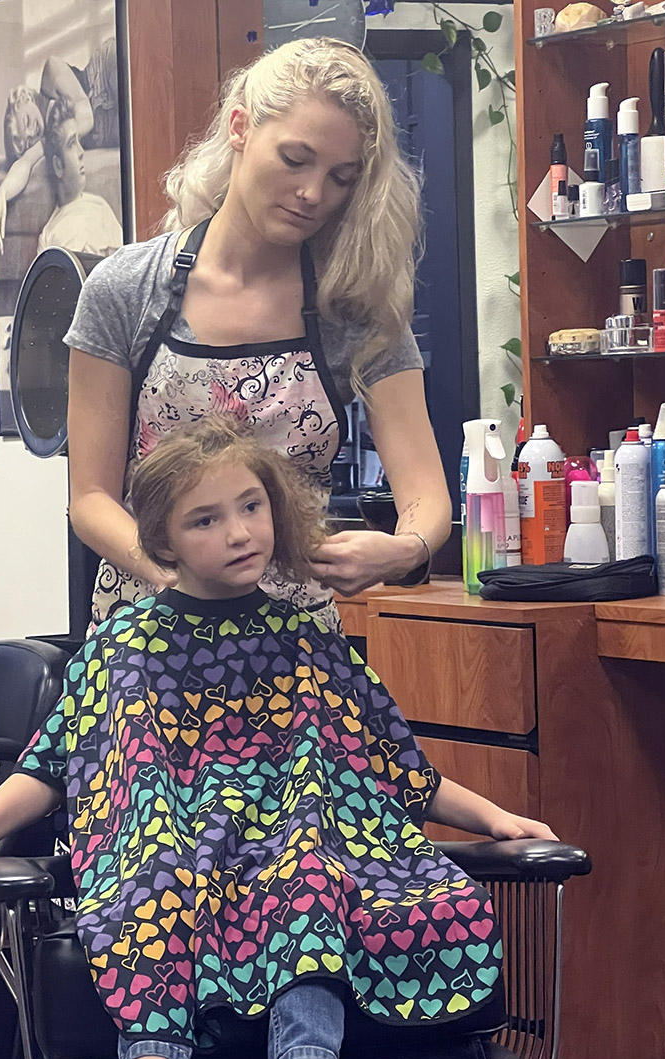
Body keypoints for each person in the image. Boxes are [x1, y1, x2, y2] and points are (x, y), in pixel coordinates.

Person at [0, 417, 557, 1059]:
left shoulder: (306, 638)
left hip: (282, 849)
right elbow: (54, 762)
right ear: (162, 540)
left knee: (310, 879)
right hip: (169, 848)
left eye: (250, 506)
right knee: (155, 880)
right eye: (205, 519)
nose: (238, 532)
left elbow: (394, 766)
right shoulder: (123, 645)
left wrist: (493, 816)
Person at [64, 36, 452, 640]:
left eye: (340, 177)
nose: (313, 194)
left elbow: (427, 496)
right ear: (241, 127)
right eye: (295, 159)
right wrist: (177, 578)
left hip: (295, 646)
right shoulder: (126, 289)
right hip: (150, 639)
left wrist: (404, 550)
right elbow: (90, 497)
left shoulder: (352, 308)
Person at [0, 35, 119, 255]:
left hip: (106, 74)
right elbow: (25, 163)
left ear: (24, 99)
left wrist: (46, 143)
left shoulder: (51, 72)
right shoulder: (49, 140)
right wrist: (3, 192)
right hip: (112, 122)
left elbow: (86, 115)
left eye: (26, 122)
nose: (32, 132)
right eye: (28, 141)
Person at [36, 100, 122, 258]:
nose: (81, 152)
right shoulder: (48, 235)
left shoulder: (99, 207)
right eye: (71, 143)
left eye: (79, 141)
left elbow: (123, 264)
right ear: (58, 166)